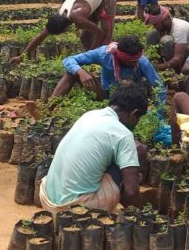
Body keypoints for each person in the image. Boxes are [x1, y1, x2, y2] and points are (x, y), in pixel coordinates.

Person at [39, 84, 148, 214]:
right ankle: (121, 205)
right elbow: (132, 192)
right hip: (77, 209)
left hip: (46, 200)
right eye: (138, 119)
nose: (136, 124)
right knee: (138, 150)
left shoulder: (89, 115)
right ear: (134, 113)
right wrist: (147, 209)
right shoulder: (123, 134)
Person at [10, 0, 117, 65]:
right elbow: (40, 37)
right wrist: (22, 56)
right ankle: (94, 59)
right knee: (85, 38)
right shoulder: (59, 17)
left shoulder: (77, 17)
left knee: (106, 37)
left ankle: (106, 63)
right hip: (88, 3)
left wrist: (90, 56)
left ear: (65, 28)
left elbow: (100, 33)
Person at [51, 35, 166, 107]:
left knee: (127, 83)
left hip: (131, 98)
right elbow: (69, 60)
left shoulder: (142, 62)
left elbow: (159, 87)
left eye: (136, 60)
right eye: (131, 61)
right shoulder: (104, 54)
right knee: (71, 73)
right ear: (120, 56)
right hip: (106, 94)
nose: (135, 63)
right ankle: (47, 110)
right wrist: (81, 72)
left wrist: (158, 114)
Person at [143, 4, 189, 73]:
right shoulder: (166, 27)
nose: (154, 26)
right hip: (183, 55)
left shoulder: (179, 28)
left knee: (167, 41)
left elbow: (177, 59)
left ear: (165, 19)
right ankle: (159, 68)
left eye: (156, 24)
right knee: (152, 34)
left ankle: (179, 73)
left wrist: (155, 67)